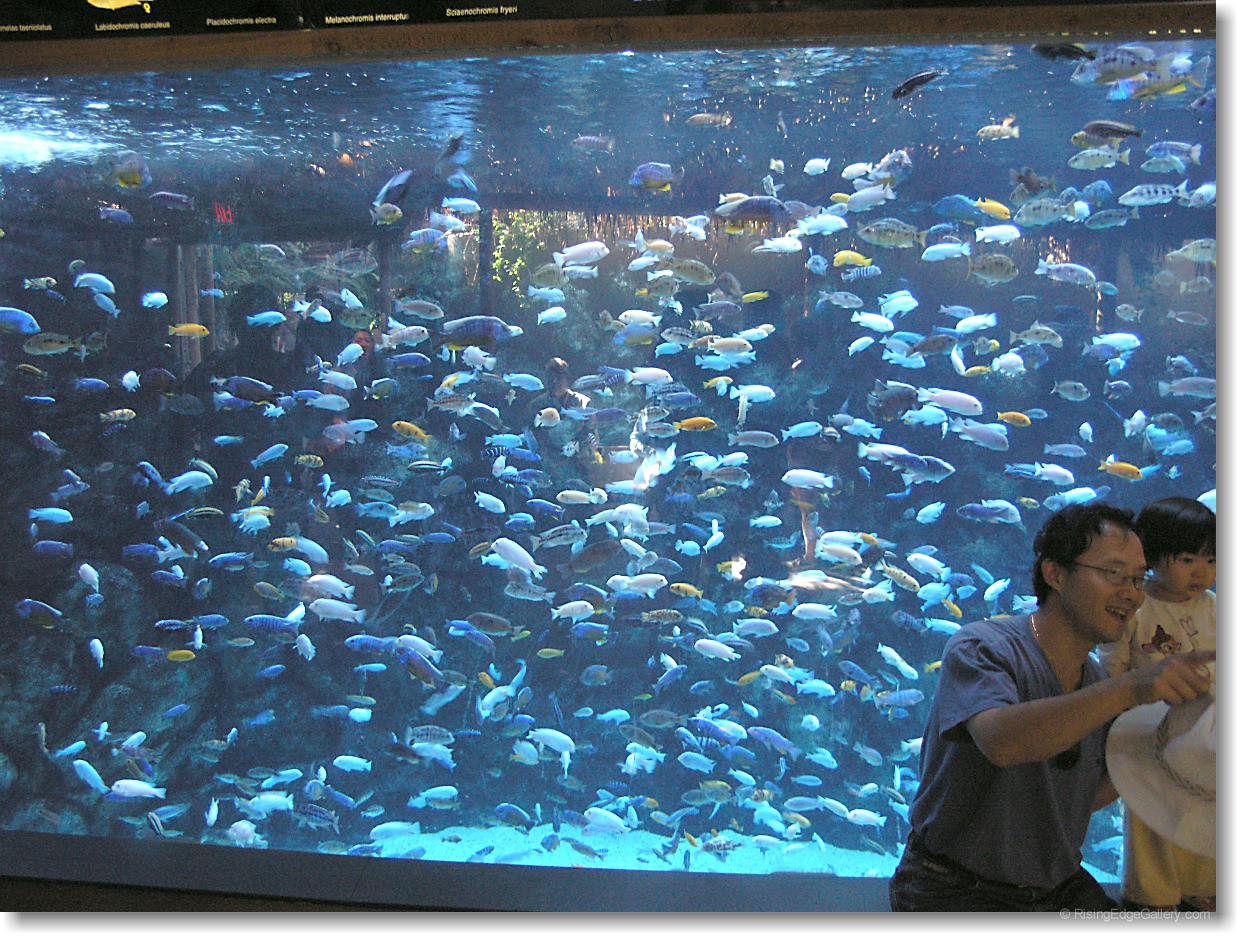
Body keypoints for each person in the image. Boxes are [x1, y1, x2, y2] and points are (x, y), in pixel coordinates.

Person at [889, 502, 1215, 912]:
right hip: (953, 888)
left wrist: (1171, 739)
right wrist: (1132, 688)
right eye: (1115, 574)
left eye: (1138, 578)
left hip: (1057, 888)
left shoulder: (1096, 681)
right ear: (1055, 573)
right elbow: (1002, 742)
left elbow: (1083, 797)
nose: (1133, 594)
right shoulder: (983, 646)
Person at [1097, 497, 1216, 911]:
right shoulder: (1136, 607)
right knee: (1152, 821)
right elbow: (1113, 664)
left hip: (1208, 739)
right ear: (1151, 557)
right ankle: (1152, 898)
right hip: (1148, 736)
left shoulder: (1219, 609)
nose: (1201, 572)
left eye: (1211, 560)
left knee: (1209, 813)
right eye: (1187, 559)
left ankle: (1206, 890)